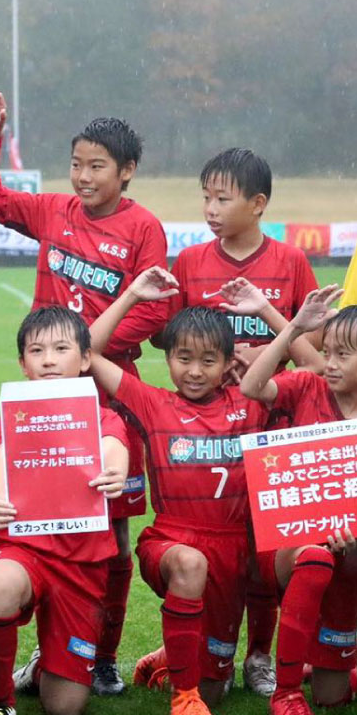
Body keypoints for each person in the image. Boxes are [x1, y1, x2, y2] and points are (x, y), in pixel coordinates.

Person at [0, 101, 166, 695]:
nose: (82, 178)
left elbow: (158, 311)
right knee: (37, 522)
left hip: (108, 401)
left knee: (109, 538)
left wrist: (89, 353)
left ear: (127, 171)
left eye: (97, 167)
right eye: (76, 165)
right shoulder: (55, 210)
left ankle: (101, 655)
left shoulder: (143, 228)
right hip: (42, 402)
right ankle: (43, 649)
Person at [87, 267, 327, 714]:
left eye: (208, 361)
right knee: (190, 565)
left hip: (234, 550)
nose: (194, 372)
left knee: (217, 684)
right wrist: (133, 296)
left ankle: (170, 662)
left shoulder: (250, 402)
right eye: (183, 358)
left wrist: (275, 316)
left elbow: (312, 369)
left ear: (228, 362)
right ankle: (184, 697)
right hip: (173, 541)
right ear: (169, 358)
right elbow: (88, 351)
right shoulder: (153, 402)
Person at [167, 147, 320, 696]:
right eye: (205, 197)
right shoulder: (190, 264)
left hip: (274, 424)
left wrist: (266, 348)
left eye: (222, 198)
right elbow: (175, 344)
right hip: (210, 432)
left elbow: (315, 355)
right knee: (216, 546)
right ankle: (212, 651)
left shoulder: (290, 263)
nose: (210, 208)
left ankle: (259, 654)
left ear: (257, 205)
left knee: (263, 550)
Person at [0, 306, 129, 715]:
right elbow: (3, 467)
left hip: (82, 561)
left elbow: (115, 454)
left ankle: (45, 665)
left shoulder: (106, 418)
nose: (47, 359)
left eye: (61, 348)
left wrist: (114, 474)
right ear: (22, 364)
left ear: (84, 359)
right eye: (36, 350)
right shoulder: (10, 418)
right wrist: (1, 499)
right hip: (27, 549)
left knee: (65, 706)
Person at [240, 287, 357, 714]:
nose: (330, 364)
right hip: (294, 544)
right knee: (315, 558)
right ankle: (286, 692)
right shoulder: (308, 385)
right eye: (328, 352)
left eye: (343, 355)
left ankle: (339, 667)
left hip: (351, 550)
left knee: (332, 698)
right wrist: (293, 327)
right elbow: (252, 387)